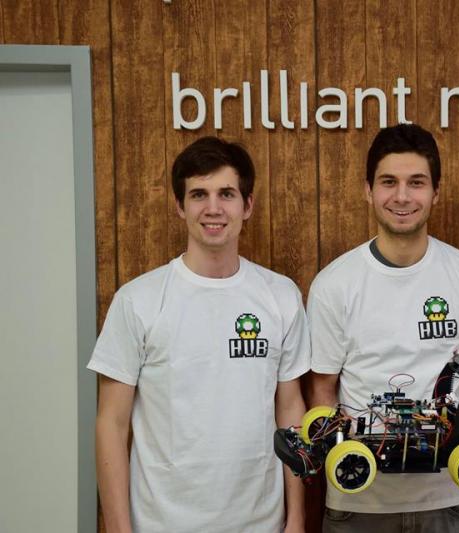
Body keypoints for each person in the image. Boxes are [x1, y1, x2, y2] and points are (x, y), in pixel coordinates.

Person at [89, 137, 309, 533]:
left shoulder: (280, 295)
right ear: (180, 206)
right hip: (161, 524)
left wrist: (296, 518)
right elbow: (111, 424)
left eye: (226, 194)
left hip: (261, 523)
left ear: (248, 205)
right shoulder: (138, 300)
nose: (213, 208)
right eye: (198, 195)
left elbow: (290, 411)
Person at [307, 123, 459, 532]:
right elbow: (323, 389)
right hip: (359, 502)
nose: (401, 196)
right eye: (388, 182)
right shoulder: (334, 284)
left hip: (450, 498)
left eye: (416, 182)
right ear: (368, 190)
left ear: (435, 191)